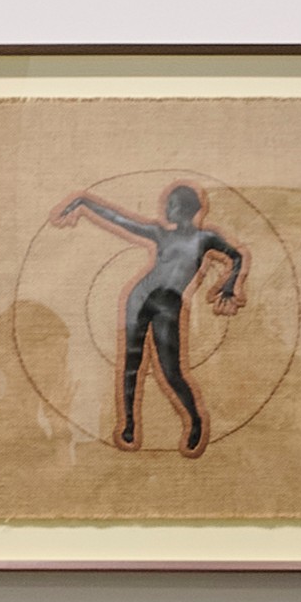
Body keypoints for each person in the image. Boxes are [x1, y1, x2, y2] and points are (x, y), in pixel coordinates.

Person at [58, 182, 252, 455]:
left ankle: (195, 419)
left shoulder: (205, 238)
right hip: (140, 299)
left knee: (171, 371)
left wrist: (230, 285)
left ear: (188, 209)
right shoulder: (161, 233)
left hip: (168, 306)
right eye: (167, 204)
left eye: (172, 205)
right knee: (131, 363)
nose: (166, 209)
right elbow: (121, 220)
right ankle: (129, 423)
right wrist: (84, 202)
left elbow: (237, 256)